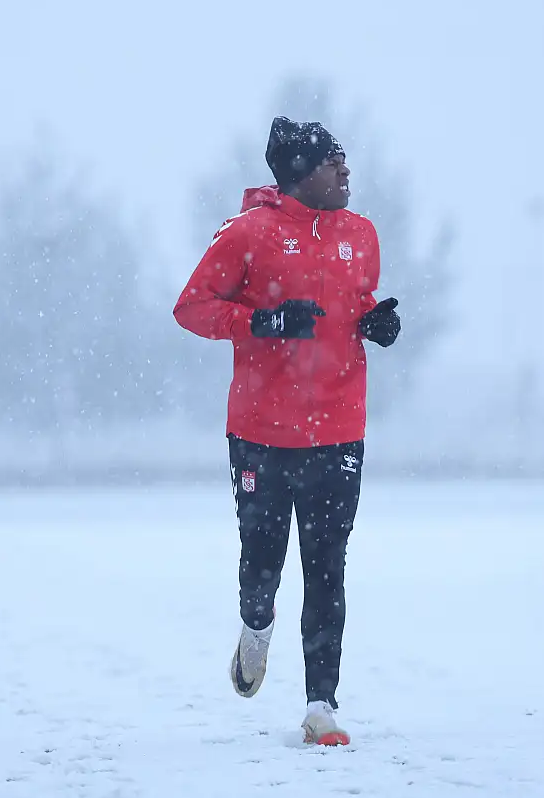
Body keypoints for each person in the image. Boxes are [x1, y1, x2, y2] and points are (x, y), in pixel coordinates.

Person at [173, 115, 401, 746]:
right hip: (262, 432)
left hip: (338, 429)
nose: (347, 172)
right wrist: (265, 323)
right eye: (336, 163)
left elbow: (351, 304)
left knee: (328, 566)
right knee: (263, 565)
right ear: (305, 175)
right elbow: (191, 308)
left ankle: (321, 705)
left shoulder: (362, 233)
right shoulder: (247, 234)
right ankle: (255, 628)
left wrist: (372, 322)